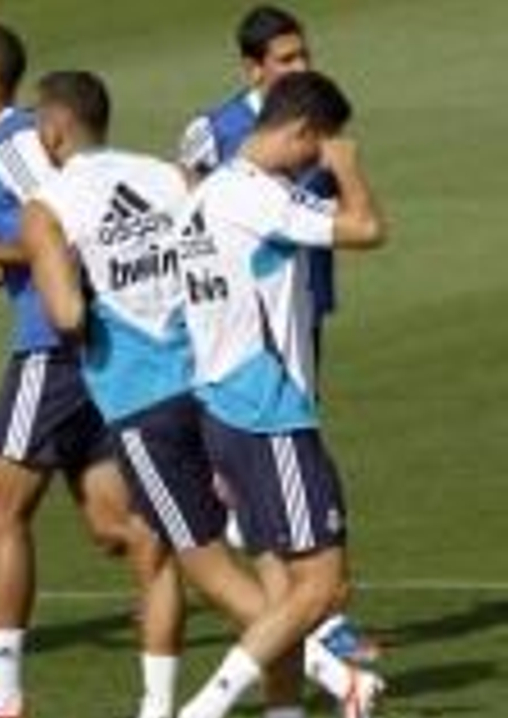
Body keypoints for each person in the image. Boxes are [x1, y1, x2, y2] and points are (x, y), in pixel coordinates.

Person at [19, 69, 378, 718]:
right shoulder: (170, 175)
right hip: (210, 380)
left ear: (53, 133)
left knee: (204, 564)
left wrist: (52, 274)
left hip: (142, 399)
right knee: (257, 565)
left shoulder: (48, 203)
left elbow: (64, 314)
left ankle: (309, 684)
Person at [0, 23, 182, 718]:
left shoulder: (15, 143)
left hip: (53, 351)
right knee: (116, 525)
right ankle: (287, 628)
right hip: (92, 350)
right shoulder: (14, 145)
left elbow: (69, 226)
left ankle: (0, 697)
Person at [161, 71, 386, 718]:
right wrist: (349, 171)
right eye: (315, 146)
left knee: (281, 597)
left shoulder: (204, 198)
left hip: (225, 408)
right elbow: (366, 230)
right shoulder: (258, 194)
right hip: (271, 412)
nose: (314, 160)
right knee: (323, 586)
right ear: (302, 133)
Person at [179, 4, 381, 670]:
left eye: (303, 54)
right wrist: (346, 168)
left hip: (293, 308)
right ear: (254, 67)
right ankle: (215, 706)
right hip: (249, 355)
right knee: (291, 499)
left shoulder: (297, 128)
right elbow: (362, 227)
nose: (300, 66)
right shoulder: (219, 138)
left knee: (286, 498)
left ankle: (303, 681)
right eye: (287, 59)